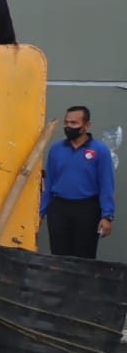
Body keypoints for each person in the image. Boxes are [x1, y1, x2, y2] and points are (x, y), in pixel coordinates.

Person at [41, 106, 115, 258]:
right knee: (58, 256)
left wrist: (107, 216)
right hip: (59, 209)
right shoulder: (56, 149)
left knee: (84, 257)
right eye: (66, 123)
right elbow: (48, 183)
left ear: (87, 125)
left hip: (87, 209)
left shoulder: (100, 151)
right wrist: (40, 213)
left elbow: (106, 184)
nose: (68, 127)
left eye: (74, 123)